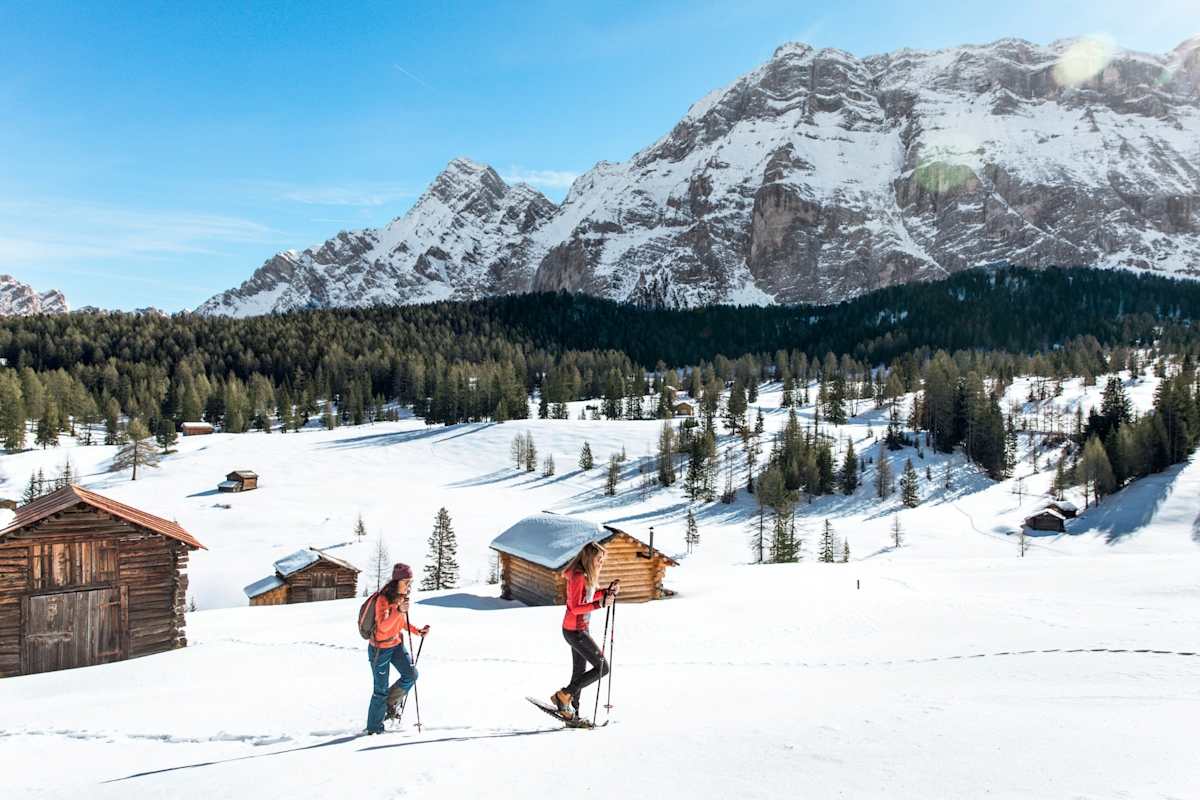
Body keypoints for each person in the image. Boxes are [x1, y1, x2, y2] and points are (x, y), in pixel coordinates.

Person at [551, 541, 618, 720]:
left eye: (603, 559)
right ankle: (564, 695)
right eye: (599, 558)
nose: (601, 562)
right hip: (575, 631)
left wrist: (605, 592)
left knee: (579, 672)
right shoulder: (578, 576)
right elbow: (575, 607)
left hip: (579, 630)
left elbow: (588, 596)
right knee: (602, 667)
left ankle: (571, 709)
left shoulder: (585, 575)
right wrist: (600, 604)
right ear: (589, 558)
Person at [365, 563, 429, 734]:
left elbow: (400, 623)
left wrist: (418, 631)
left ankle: (389, 704)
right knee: (380, 690)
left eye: (411, 581)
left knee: (411, 674)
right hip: (380, 649)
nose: (409, 585)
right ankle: (374, 729)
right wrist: (399, 610)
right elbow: (384, 626)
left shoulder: (401, 597)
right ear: (397, 581)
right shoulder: (383, 599)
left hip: (396, 645)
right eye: (407, 581)